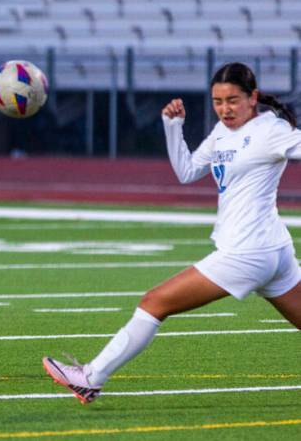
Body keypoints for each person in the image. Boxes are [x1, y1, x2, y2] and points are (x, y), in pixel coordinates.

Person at [42, 62, 301, 405]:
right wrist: (172, 126)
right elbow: (187, 171)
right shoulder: (223, 132)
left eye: (233, 100)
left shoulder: (271, 130)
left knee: (154, 303)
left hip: (248, 252)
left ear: (253, 97)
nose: (225, 109)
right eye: (218, 101)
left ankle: (91, 377)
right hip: (270, 249)